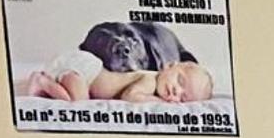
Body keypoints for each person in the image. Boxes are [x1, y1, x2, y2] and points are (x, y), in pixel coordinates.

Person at [23, 56, 213, 103]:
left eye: (183, 98)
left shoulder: (154, 83)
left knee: (76, 99)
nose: (177, 91)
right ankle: (42, 82)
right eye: (180, 81)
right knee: (79, 102)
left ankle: (47, 87)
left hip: (86, 78)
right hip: (87, 73)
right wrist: (162, 102)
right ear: (169, 65)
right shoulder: (150, 80)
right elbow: (130, 96)